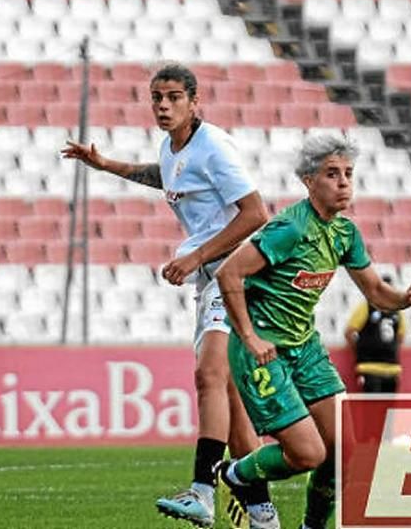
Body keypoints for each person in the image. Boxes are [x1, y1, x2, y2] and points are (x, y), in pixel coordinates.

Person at [62, 63, 279, 529]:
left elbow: (256, 212)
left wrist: (195, 255)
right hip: (212, 277)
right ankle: (262, 515)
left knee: (209, 374)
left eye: (174, 97)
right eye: (156, 97)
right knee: (231, 400)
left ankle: (202, 491)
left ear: (194, 101)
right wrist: (105, 165)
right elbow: (164, 174)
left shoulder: (214, 146)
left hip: (236, 274)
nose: (163, 105)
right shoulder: (173, 146)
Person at [214, 132, 411, 529]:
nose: (343, 183)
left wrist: (406, 299)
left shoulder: (344, 234)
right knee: (308, 455)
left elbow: (375, 291)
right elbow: (229, 272)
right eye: (332, 174)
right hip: (264, 350)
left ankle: (312, 525)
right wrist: (249, 336)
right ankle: (234, 476)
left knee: (344, 452)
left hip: (306, 348)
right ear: (308, 181)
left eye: (348, 174)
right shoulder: (289, 228)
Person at [343, 275, 407, 393]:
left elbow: (401, 336)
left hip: (389, 368)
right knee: (373, 408)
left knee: (386, 410)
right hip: (370, 367)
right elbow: (349, 332)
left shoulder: (396, 311)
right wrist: (361, 350)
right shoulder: (367, 307)